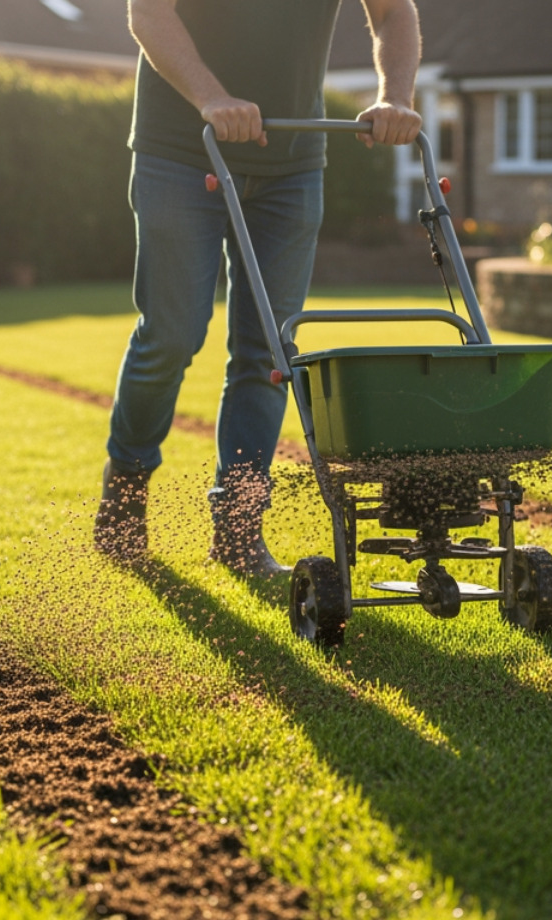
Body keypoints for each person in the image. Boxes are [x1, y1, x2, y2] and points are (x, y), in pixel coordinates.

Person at [95, 0, 423, 569]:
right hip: (179, 150)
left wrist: (396, 96)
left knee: (269, 352)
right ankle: (125, 490)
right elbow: (148, 13)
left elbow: (394, 12)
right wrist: (212, 98)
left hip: (292, 165)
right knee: (171, 335)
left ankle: (238, 527)